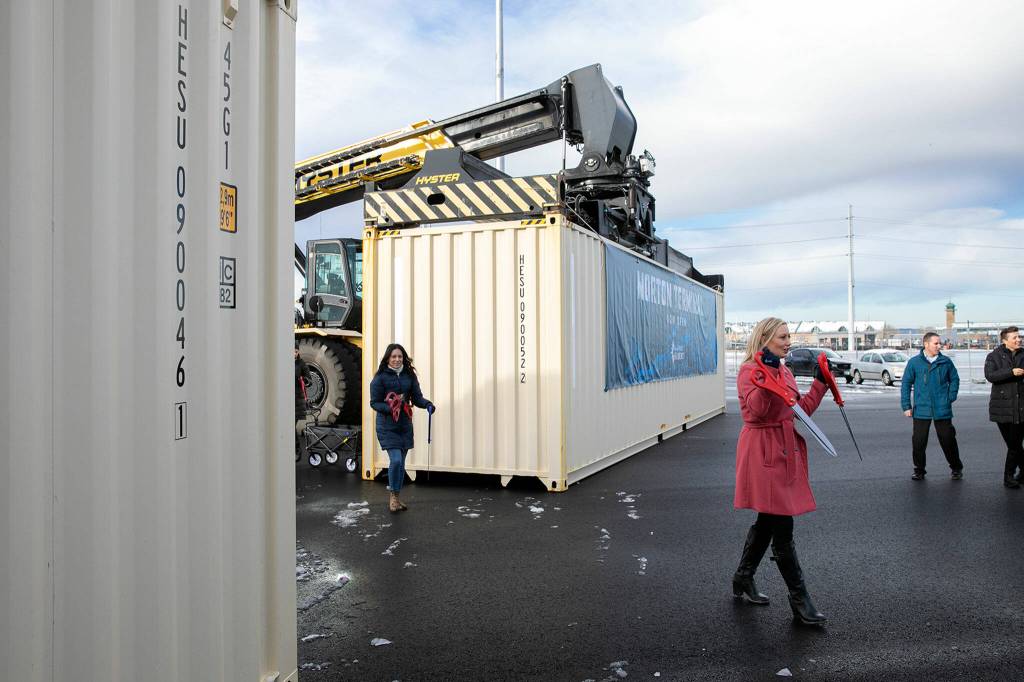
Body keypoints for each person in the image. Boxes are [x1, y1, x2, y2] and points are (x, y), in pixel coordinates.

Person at [732, 317, 829, 626]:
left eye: (789, 337)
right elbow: (758, 409)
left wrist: (820, 383)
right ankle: (800, 599)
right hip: (763, 454)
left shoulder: (784, 369)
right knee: (781, 527)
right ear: (765, 340)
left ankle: (743, 577)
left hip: (783, 450)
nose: (789, 342)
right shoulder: (750, 371)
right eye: (783, 337)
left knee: (768, 520)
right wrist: (767, 372)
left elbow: (799, 410)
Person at [369, 343, 435, 513]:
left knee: (401, 464)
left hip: (404, 424)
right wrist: (390, 407)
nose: (397, 359)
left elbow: (417, 398)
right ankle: (393, 497)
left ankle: (397, 498)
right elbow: (374, 403)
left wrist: (427, 404)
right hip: (387, 425)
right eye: (393, 357)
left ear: (403, 358)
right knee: (396, 460)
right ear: (388, 359)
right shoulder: (380, 378)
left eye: (399, 356)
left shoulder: (409, 376)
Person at [901, 332, 962, 481]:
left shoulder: (945, 362)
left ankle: (956, 468)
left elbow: (954, 379)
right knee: (919, 442)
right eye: (935, 343)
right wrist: (906, 406)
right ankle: (919, 470)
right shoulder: (914, 362)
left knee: (948, 440)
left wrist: (950, 397)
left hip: (942, 408)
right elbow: (906, 384)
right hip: (922, 408)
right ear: (926, 344)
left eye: (939, 343)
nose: (939, 346)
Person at [984, 326, 1024, 488]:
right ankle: (1020, 473)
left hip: (1021, 407)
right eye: (1014, 337)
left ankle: (1008, 477)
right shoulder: (994, 356)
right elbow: (990, 376)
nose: (1018, 340)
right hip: (1003, 408)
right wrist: (1011, 372)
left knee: (1014, 444)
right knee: (1013, 444)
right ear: (1005, 340)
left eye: (1019, 337)